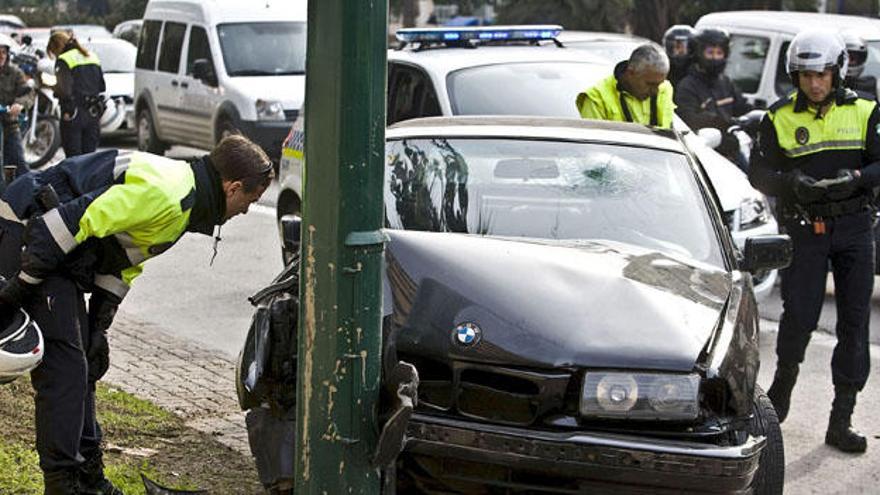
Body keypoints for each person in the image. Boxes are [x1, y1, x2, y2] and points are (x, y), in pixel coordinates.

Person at [0, 134, 274, 494]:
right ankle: (62, 484)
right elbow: (67, 222)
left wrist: (99, 324)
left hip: (54, 246)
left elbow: (121, 260)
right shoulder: (168, 196)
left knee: (84, 362)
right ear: (232, 187)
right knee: (67, 369)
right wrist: (20, 286)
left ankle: (90, 478)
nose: (245, 211)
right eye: (249, 201)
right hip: (30, 231)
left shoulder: (185, 200)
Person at [748, 29, 878, 454]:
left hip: (855, 229)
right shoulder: (778, 117)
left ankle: (842, 419)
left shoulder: (867, 111)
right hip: (806, 230)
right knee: (798, 316)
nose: (814, 84)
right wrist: (790, 182)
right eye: (805, 76)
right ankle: (779, 398)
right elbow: (759, 173)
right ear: (795, 76)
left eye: (821, 74)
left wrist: (856, 178)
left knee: (854, 324)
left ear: (837, 71)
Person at [675, 27, 753, 168]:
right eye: (710, 53)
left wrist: (758, 116)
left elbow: (742, 108)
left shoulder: (725, 82)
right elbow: (689, 120)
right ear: (699, 53)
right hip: (704, 156)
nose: (715, 58)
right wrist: (722, 123)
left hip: (733, 151)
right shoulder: (687, 87)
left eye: (719, 53)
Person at [576, 43, 675, 129]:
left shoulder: (665, 89)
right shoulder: (596, 99)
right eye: (650, 84)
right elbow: (594, 147)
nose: (655, 91)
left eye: (659, 84)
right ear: (630, 73)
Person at [46, 31, 105, 157]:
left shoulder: (64, 59)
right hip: (93, 112)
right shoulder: (91, 56)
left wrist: (51, 87)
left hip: (74, 113)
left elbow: (64, 90)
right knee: (89, 158)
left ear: (56, 47)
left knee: (74, 159)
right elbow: (101, 86)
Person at [0, 32, 34, 191]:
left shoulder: (15, 72)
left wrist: (19, 104)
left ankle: (30, 196)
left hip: (10, 126)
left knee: (19, 163)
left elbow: (28, 93)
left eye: (4, 52)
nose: (1, 56)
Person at [841, 31, 877, 100]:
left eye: (852, 58)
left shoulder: (872, 85)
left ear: (861, 59)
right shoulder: (827, 83)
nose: (848, 62)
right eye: (845, 58)